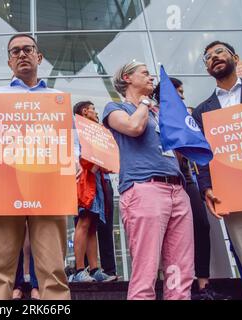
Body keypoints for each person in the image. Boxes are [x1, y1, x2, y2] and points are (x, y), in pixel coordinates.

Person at [0, 34, 80, 300]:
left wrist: (73, 161)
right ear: (9, 61)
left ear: (39, 57)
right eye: (15, 51)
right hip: (2, 191)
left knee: (54, 273)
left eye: (28, 49)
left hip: (49, 191)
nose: (22, 54)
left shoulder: (58, 99)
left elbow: (72, 142)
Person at [102, 61, 194, 300]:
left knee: (180, 271)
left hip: (177, 189)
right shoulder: (115, 108)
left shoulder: (158, 113)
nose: (151, 77)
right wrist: (145, 102)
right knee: (146, 270)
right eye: (145, 73)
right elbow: (134, 128)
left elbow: (179, 149)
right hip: (144, 189)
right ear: (127, 78)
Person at [155, 77, 229, 300]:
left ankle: (203, 284)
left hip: (186, 178)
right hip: (161, 179)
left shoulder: (185, 117)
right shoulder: (153, 115)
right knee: (166, 234)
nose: (183, 96)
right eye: (178, 91)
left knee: (201, 225)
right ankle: (171, 284)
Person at [192, 40, 242, 296]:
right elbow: (203, 157)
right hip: (232, 194)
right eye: (208, 57)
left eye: (219, 52)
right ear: (207, 69)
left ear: (235, 58)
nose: (213, 57)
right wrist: (206, 187)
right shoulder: (202, 111)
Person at [71, 101, 116, 283]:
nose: (96, 113)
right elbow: (79, 156)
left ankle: (95, 269)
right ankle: (80, 269)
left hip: (96, 180)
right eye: (93, 109)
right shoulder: (78, 129)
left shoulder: (96, 131)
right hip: (84, 180)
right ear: (85, 111)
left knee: (92, 225)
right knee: (83, 222)